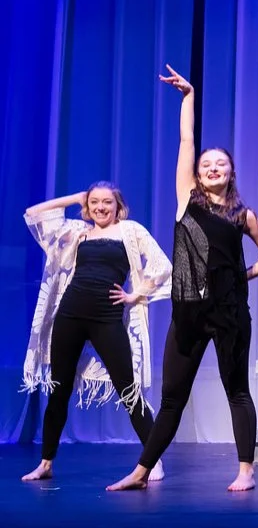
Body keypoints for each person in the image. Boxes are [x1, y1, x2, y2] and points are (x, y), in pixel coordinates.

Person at [107, 65, 258, 492]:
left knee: (237, 391)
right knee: (172, 400)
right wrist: (189, 96)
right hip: (188, 312)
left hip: (229, 314)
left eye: (221, 163)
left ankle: (245, 471)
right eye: (207, 164)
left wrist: (241, 278)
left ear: (231, 172)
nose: (212, 167)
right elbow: (187, 141)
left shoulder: (244, 215)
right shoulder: (187, 199)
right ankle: (141, 470)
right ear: (199, 174)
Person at [21, 183, 172, 482]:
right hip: (70, 314)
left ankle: (152, 461)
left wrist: (136, 294)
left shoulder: (130, 231)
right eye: (94, 202)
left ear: (118, 206)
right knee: (59, 391)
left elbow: (162, 266)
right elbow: (33, 214)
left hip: (106, 318)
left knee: (129, 390)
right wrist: (76, 198)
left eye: (107, 202)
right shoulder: (78, 232)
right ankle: (46, 463)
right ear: (88, 206)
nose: (101, 207)